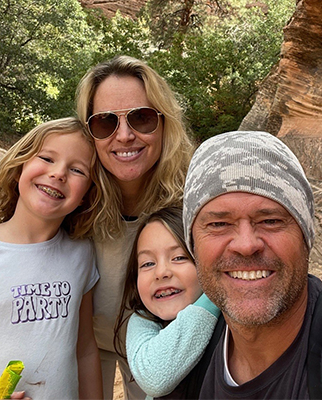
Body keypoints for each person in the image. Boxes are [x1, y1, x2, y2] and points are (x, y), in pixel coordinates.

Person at [181, 130, 322, 398]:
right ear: (193, 244)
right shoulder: (189, 357)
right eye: (219, 224)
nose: (246, 245)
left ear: (305, 236)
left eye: (270, 220)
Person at [75, 55, 195, 400]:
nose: (124, 136)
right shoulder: (73, 200)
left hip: (160, 343)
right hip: (81, 343)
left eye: (141, 118)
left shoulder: (194, 202)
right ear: (89, 132)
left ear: (164, 122)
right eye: (105, 123)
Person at [0, 118, 110, 399]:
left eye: (77, 170)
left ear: (87, 195)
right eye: (47, 158)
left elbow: (83, 349)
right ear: (20, 165)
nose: (58, 174)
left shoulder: (81, 255)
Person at [113, 207, 219, 399]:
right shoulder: (142, 320)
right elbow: (156, 377)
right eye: (147, 263)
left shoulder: (232, 325)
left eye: (178, 258)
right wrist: (215, 293)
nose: (161, 272)